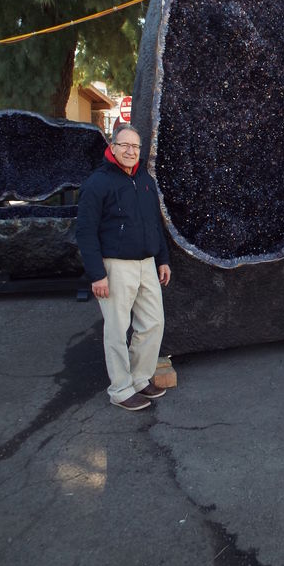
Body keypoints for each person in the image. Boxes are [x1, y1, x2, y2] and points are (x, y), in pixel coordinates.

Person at [76, 123, 172, 411]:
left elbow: (155, 223)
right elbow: (85, 232)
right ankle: (120, 389)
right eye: (125, 145)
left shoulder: (145, 180)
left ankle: (140, 378)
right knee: (117, 330)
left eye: (135, 146)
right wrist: (97, 275)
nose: (131, 151)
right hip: (115, 266)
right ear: (113, 147)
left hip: (146, 264)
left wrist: (163, 258)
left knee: (153, 323)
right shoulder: (98, 183)